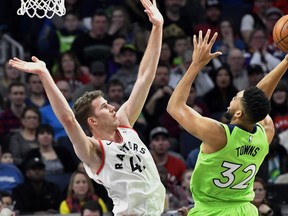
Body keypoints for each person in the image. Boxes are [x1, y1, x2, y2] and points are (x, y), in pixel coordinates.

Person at [9, 0, 165, 215]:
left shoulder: (125, 124)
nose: (112, 108)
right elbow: (68, 119)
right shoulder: (93, 150)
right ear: (92, 120)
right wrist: (45, 75)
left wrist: (157, 27)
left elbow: (145, 77)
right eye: (104, 106)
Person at [167, 28, 288, 215]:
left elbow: (175, 107)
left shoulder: (219, 135)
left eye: (236, 98)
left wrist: (196, 64)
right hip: (246, 210)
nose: (233, 97)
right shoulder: (265, 134)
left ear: (238, 113)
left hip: (211, 211)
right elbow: (259, 96)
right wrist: (286, 62)